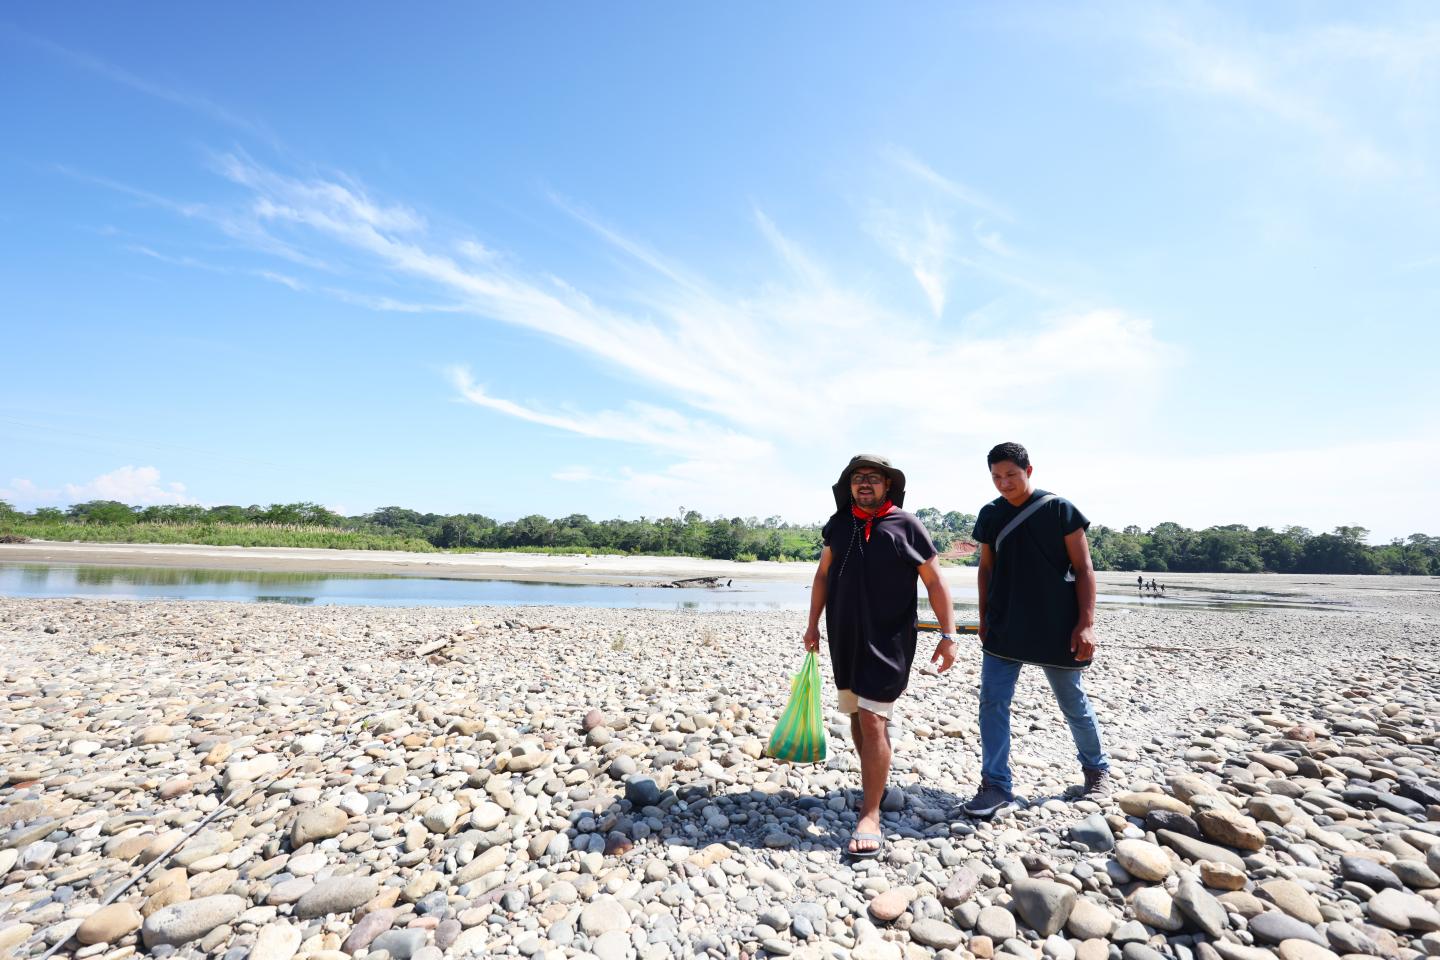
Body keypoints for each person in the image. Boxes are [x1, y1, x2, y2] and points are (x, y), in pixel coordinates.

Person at [804, 454, 958, 858]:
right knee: (857, 714)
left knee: (873, 717)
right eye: (858, 478)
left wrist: (948, 633)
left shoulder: (907, 525)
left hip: (889, 639)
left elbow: (934, 580)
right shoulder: (839, 524)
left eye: (874, 478)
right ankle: (875, 781)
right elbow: (823, 575)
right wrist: (812, 624)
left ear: (888, 485)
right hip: (844, 635)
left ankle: (870, 813)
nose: (865, 483)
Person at [962, 442, 1112, 817]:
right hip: (1005, 623)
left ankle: (1096, 772)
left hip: (1056, 624)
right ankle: (996, 785)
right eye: (996, 477)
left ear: (1029, 471)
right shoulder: (991, 514)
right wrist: (983, 617)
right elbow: (986, 569)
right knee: (992, 703)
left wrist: (1087, 623)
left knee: (1072, 701)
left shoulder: (1060, 510)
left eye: (1011, 475)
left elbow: (1084, 568)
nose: (1004, 483)